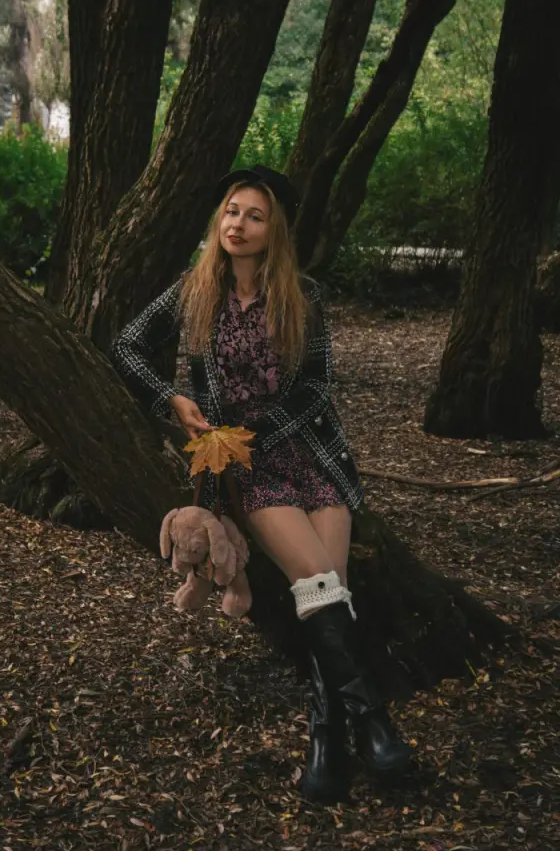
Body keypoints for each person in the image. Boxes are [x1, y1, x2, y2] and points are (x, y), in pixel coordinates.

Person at [110, 164, 412, 804]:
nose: (238, 224)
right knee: (319, 581)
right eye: (231, 211)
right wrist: (172, 398)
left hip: (314, 454)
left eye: (254, 215)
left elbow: (316, 387)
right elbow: (127, 345)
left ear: (274, 231)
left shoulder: (304, 295)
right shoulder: (194, 290)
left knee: (329, 591)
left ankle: (327, 740)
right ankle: (374, 722)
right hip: (246, 468)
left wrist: (260, 430)